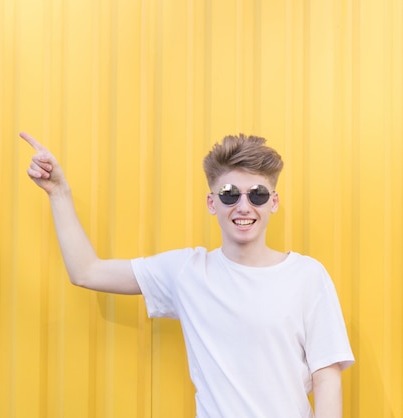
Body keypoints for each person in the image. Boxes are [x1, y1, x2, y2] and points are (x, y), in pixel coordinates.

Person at [20, 131, 354, 418]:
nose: (243, 206)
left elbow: (326, 376)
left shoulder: (307, 276)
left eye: (257, 194)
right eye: (229, 194)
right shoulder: (187, 273)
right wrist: (59, 193)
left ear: (274, 202)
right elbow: (87, 271)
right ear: (212, 203)